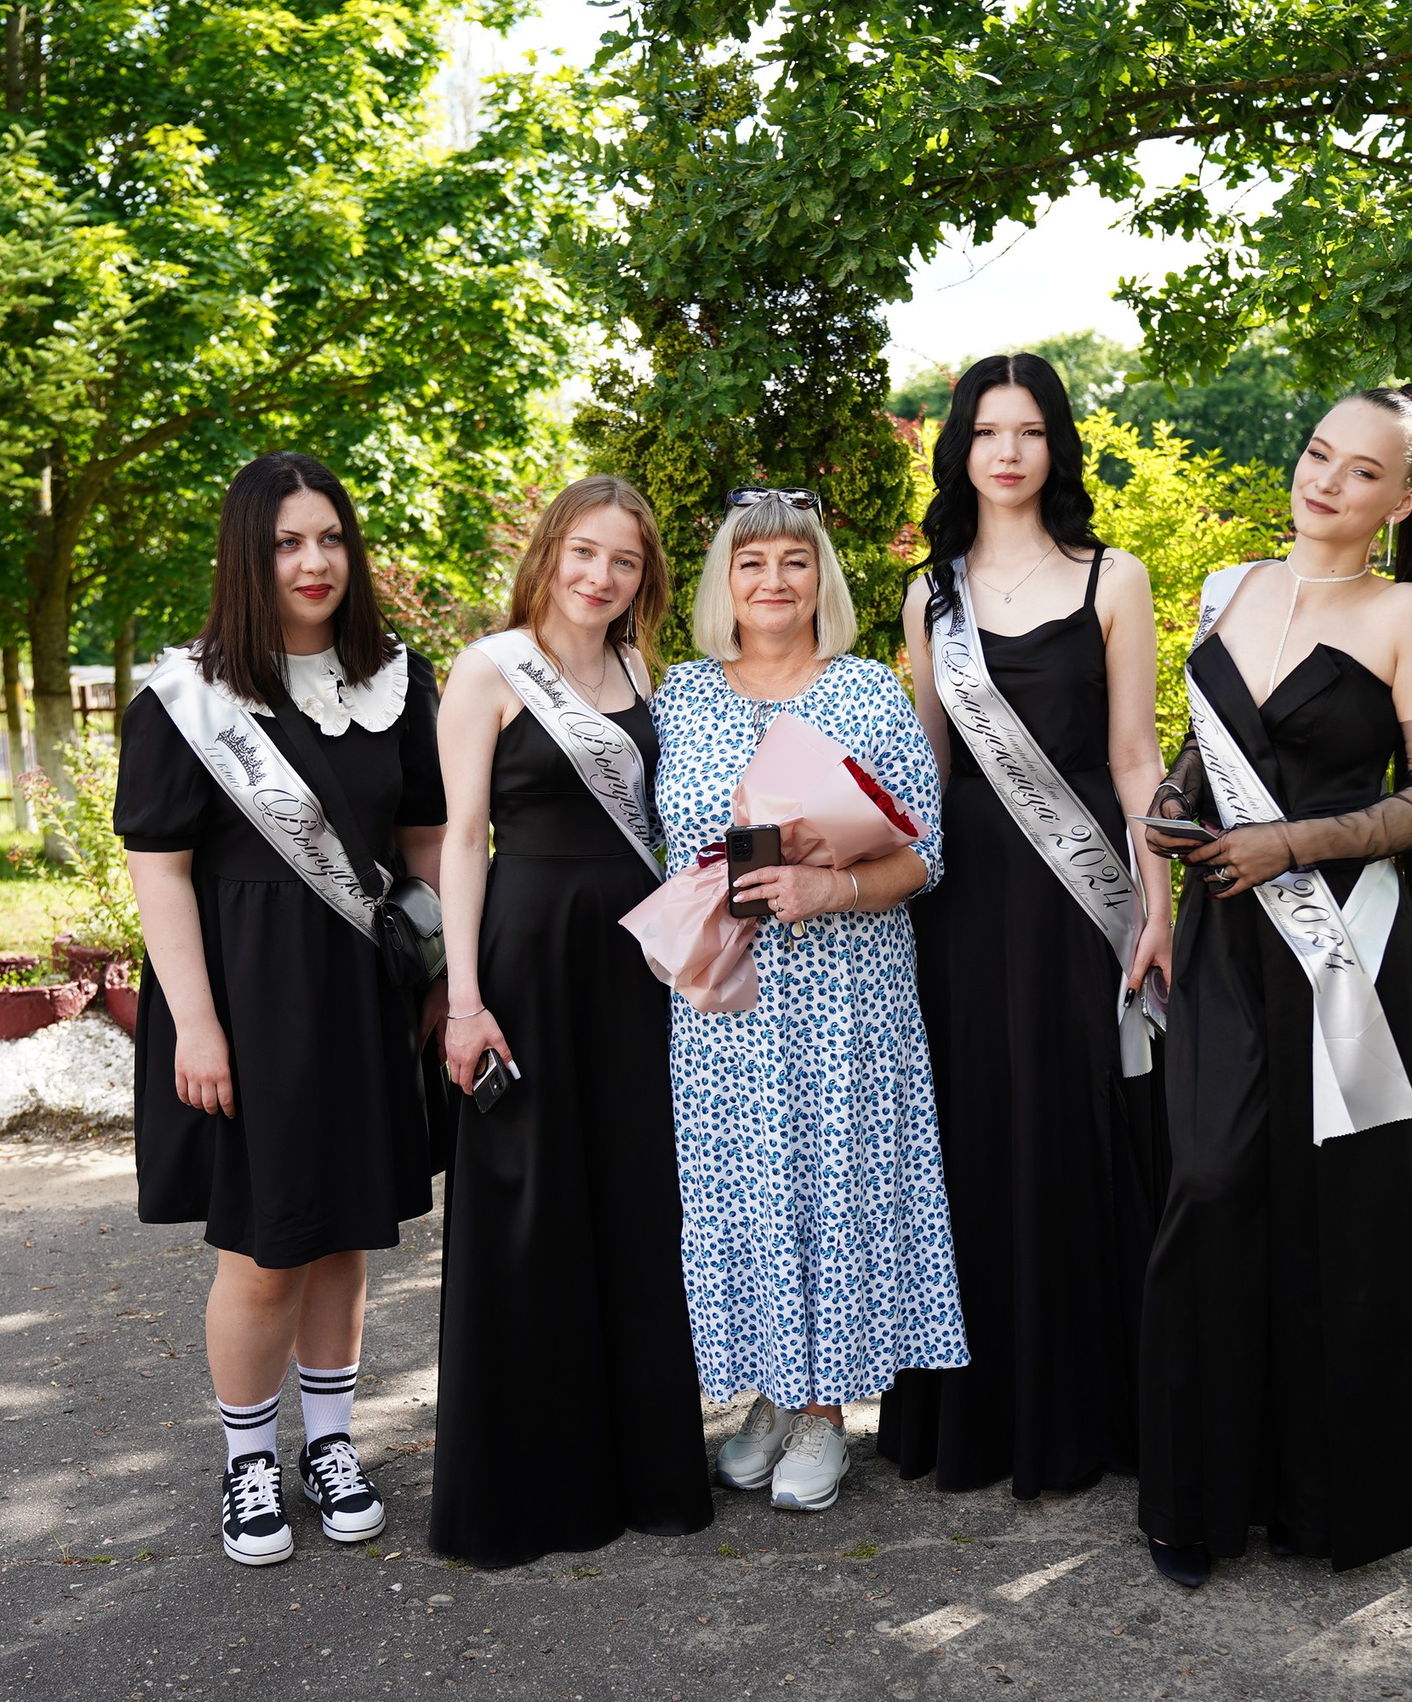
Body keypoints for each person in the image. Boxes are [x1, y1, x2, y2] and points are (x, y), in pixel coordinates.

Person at [1137, 384, 1412, 1586]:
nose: (1324, 481)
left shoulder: (1406, 610)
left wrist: (1294, 844)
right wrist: (1179, 803)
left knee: (1332, 1213)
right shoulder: (1229, 586)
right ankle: (1196, 1494)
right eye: (1318, 454)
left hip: (1343, 943)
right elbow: (1211, 749)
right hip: (1228, 935)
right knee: (1211, 1181)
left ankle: (1328, 1502)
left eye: (1361, 470)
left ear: (1403, 498)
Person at [116, 451, 448, 1567]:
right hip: (245, 1001)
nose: (313, 563)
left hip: (360, 994)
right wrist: (196, 1025)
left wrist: (439, 975)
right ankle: (247, 1461)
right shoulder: (189, 696)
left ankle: (329, 1441)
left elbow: (425, 842)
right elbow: (159, 869)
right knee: (264, 1250)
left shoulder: (397, 677)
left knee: (348, 1234)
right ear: (247, 559)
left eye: (330, 539)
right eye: (286, 544)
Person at [881, 352, 1174, 1499]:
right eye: (986, 430)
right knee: (975, 1136)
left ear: (1057, 446)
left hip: (1080, 892)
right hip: (965, 905)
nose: (1006, 450)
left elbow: (1136, 756)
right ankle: (980, 1412)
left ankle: (1095, 1406)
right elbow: (927, 774)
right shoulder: (929, 596)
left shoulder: (1115, 577)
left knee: (1081, 1129)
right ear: (958, 448)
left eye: (1030, 430)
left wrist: (1158, 907)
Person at [649, 487, 968, 1514]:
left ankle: (828, 1408)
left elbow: (927, 853)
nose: (773, 580)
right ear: (723, 582)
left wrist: (834, 884)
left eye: (793, 560)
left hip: (846, 987)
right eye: (751, 563)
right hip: (725, 994)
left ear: (818, 575)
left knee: (835, 1182)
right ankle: (771, 1392)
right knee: (740, 1189)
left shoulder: (869, 689)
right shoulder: (681, 695)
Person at [427, 475, 713, 1567]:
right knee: (529, 1201)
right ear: (549, 553)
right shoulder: (489, 669)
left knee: (636, 1202)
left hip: (629, 963)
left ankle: (643, 1469)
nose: (601, 576)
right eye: (584, 553)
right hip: (526, 957)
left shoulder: (643, 671)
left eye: (625, 562)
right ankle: (523, 1488)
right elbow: (460, 842)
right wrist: (464, 1000)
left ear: (644, 579)